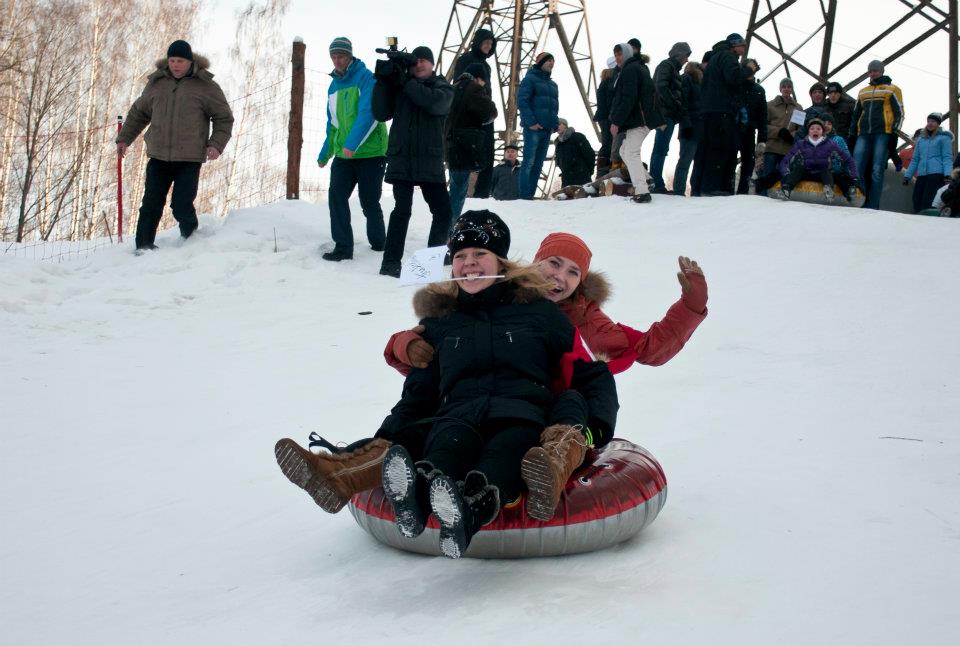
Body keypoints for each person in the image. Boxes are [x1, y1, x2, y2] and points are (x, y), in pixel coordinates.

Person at [276, 211, 619, 559]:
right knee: (440, 448)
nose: (469, 263)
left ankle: (468, 513)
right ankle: (373, 487)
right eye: (460, 256)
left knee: (504, 452)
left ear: (500, 261)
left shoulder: (540, 314)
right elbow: (419, 392)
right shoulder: (441, 321)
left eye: (479, 254)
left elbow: (592, 374)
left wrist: (596, 429)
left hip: (520, 416)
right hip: (458, 417)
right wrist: (390, 435)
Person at [117, 40, 233, 252]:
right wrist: (124, 139)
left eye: (180, 61)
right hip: (158, 155)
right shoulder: (157, 83)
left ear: (190, 61)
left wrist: (216, 144)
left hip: (189, 158)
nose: (176, 65)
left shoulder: (206, 86)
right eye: (172, 61)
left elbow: (224, 118)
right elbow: (139, 113)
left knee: (181, 205)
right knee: (150, 204)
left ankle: (190, 237)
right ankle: (143, 247)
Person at [372, 46, 454, 278]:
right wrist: (383, 82)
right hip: (402, 159)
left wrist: (406, 82)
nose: (419, 64)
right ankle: (390, 263)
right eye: (415, 61)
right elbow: (380, 113)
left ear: (433, 64)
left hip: (429, 160)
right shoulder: (401, 87)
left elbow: (434, 103)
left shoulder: (443, 87)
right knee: (402, 210)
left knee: (443, 211)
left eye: (424, 60)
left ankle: (430, 262)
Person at [317, 37, 388, 262]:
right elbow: (333, 124)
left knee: (369, 201)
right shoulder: (333, 86)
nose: (337, 60)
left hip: (371, 153)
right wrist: (325, 153)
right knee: (336, 197)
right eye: (333, 56)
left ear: (350, 56)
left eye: (341, 56)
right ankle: (343, 247)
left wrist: (352, 144)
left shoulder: (366, 78)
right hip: (343, 156)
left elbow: (370, 113)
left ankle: (379, 242)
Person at [699, 33, 758, 195]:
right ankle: (713, 188)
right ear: (734, 45)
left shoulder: (717, 56)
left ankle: (709, 187)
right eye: (742, 45)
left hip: (711, 109)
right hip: (721, 110)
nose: (744, 49)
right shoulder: (728, 56)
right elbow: (733, 78)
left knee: (713, 148)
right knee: (720, 148)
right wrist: (749, 69)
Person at [609, 40, 663, 204]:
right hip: (642, 118)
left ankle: (642, 191)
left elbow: (628, 98)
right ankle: (646, 180)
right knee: (624, 151)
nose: (617, 58)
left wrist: (616, 121)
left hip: (639, 119)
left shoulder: (630, 69)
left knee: (630, 153)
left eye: (620, 54)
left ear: (627, 54)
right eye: (615, 55)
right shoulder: (637, 67)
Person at [446, 64, 498, 223]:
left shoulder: (451, 88)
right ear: (478, 78)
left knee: (454, 185)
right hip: (465, 145)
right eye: (483, 81)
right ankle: (450, 228)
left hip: (449, 144)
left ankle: (445, 225)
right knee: (459, 190)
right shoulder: (474, 88)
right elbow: (489, 113)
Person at [850, 59, 904, 209]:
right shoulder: (863, 91)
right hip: (863, 134)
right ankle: (860, 202)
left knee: (877, 170)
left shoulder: (893, 89)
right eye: (870, 71)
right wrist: (852, 133)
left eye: (875, 71)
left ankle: (873, 205)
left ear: (881, 71)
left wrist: (894, 132)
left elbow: (900, 113)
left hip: (883, 133)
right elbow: (856, 114)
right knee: (856, 168)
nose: (873, 73)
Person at [453, 29, 497, 198]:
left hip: (484, 111)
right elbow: (460, 85)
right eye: (485, 42)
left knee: (486, 153)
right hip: (469, 115)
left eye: (491, 43)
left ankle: (482, 193)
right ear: (478, 42)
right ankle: (467, 193)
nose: (488, 46)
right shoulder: (465, 59)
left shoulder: (486, 65)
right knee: (468, 154)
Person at [777, 117, 859, 201]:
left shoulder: (830, 144)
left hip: (822, 174)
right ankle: (786, 189)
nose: (815, 131)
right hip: (807, 172)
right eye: (812, 128)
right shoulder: (801, 144)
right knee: (799, 168)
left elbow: (849, 160)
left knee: (827, 171)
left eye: (818, 129)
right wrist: (785, 174)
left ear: (822, 132)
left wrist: (854, 177)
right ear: (808, 131)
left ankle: (831, 190)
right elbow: (786, 160)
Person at [649, 42, 692, 193]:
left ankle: (656, 182)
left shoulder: (671, 68)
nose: (687, 60)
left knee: (661, 148)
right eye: (686, 55)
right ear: (679, 54)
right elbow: (661, 87)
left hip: (667, 114)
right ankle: (656, 183)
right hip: (665, 115)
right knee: (660, 148)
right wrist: (674, 105)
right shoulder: (667, 66)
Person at [517, 53, 560, 199]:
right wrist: (531, 122)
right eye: (549, 60)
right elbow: (522, 101)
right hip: (533, 129)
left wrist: (555, 124)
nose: (551, 63)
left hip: (547, 129)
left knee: (538, 164)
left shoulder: (553, 85)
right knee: (529, 162)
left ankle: (530, 196)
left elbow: (554, 107)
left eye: (553, 61)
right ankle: (524, 196)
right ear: (540, 62)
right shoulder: (529, 79)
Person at [903, 113, 954, 213]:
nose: (930, 123)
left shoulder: (944, 138)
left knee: (928, 201)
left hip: (936, 174)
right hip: (922, 174)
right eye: (928, 121)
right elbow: (915, 159)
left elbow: (947, 158)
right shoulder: (921, 139)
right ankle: (917, 219)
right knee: (916, 199)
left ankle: (927, 220)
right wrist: (907, 176)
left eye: (933, 121)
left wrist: (948, 175)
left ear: (938, 124)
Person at [759, 78, 803, 195]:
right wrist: (778, 132)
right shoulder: (770, 105)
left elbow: (801, 129)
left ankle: (783, 199)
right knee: (767, 177)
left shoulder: (798, 108)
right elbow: (763, 125)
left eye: (789, 87)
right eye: (784, 87)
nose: (786, 89)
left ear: (792, 89)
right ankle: (761, 199)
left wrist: (791, 135)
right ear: (780, 89)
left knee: (785, 178)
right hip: (771, 148)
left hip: (788, 150)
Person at [736, 59, 767, 195]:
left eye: (753, 67)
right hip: (734, 128)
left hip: (749, 130)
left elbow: (763, 116)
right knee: (729, 159)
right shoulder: (736, 85)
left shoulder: (759, 90)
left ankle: (743, 191)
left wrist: (762, 140)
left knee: (748, 161)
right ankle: (727, 188)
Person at [673, 61, 704, 196]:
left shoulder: (690, 81)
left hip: (690, 126)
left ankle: (681, 190)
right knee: (686, 161)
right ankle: (680, 191)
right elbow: (684, 103)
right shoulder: (691, 81)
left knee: (685, 161)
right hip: (692, 126)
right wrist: (686, 124)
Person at [595, 57, 619, 177]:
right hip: (608, 116)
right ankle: (606, 170)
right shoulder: (611, 80)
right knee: (610, 143)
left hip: (603, 116)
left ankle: (602, 170)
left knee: (607, 142)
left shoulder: (605, 80)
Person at [554, 118, 595, 188]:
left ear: (565, 125)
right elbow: (559, 162)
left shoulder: (577, 137)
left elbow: (589, 154)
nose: (557, 127)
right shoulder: (558, 144)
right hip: (566, 181)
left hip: (582, 177)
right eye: (555, 125)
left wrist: (589, 171)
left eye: (559, 124)